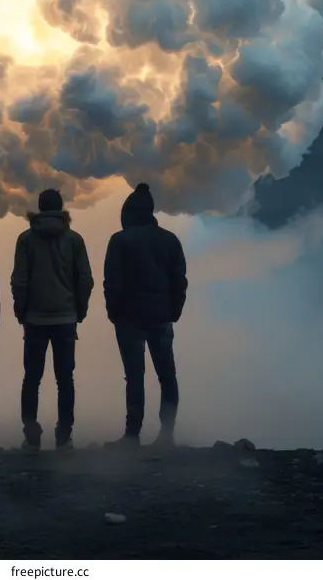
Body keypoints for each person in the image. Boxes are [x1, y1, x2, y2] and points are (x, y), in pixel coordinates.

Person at [103, 183, 188, 451]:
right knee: (167, 375)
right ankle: (166, 435)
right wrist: (174, 311)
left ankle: (132, 435)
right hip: (161, 318)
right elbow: (179, 281)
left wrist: (113, 311)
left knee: (134, 376)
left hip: (129, 319)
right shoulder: (170, 240)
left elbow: (112, 282)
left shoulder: (120, 240)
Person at [11, 188, 94, 452]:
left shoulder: (25, 240)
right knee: (65, 379)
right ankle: (64, 436)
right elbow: (85, 280)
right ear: (61, 209)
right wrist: (79, 311)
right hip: (65, 319)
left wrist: (20, 311)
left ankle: (31, 435)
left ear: (39, 208)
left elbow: (20, 281)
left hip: (34, 320)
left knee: (31, 378)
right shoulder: (74, 240)